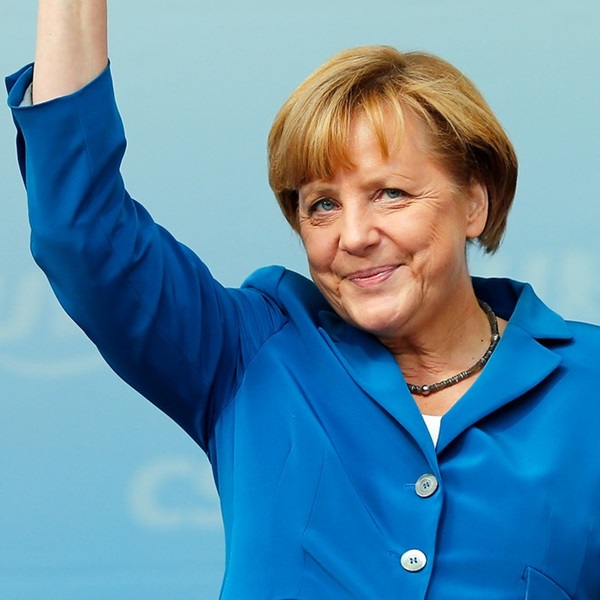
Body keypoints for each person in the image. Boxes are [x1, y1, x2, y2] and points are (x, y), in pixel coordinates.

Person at [7, 1, 600, 598]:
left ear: (474, 204)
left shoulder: (587, 385)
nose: (355, 235)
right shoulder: (251, 355)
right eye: (323, 205)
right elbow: (82, 236)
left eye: (390, 193)